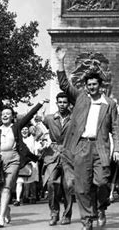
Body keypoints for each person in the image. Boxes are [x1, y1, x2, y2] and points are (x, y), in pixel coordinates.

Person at [56, 47, 119, 230]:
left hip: (100, 147)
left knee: (101, 182)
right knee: (82, 187)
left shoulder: (109, 104)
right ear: (85, 86)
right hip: (82, 147)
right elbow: (63, 85)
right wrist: (61, 61)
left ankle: (101, 207)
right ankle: (87, 221)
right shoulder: (80, 98)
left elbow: (116, 128)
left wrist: (116, 149)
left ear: (100, 86)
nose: (92, 87)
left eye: (94, 84)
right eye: (89, 85)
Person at [0, 100, 48, 228]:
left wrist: (39, 103)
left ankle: (0, 218)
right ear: (0, 116)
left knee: (6, 187)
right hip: (0, 160)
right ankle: (7, 209)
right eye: (3, 113)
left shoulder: (16, 127)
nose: (5, 115)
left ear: (12, 116)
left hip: (14, 159)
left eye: (8, 114)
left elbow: (29, 115)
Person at [41, 92, 74, 226]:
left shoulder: (74, 118)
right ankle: (54, 214)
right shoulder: (49, 118)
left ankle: (67, 215)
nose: (62, 105)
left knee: (69, 185)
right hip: (53, 154)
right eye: (60, 102)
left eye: (64, 102)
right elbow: (37, 127)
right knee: (51, 183)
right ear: (56, 103)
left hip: (69, 153)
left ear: (69, 104)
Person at [14, 125, 42, 206]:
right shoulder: (18, 140)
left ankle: (33, 197)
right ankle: (18, 199)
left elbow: (40, 132)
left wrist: (35, 124)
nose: (24, 131)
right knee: (19, 181)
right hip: (21, 163)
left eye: (26, 129)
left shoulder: (32, 138)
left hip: (31, 162)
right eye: (22, 129)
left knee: (32, 181)